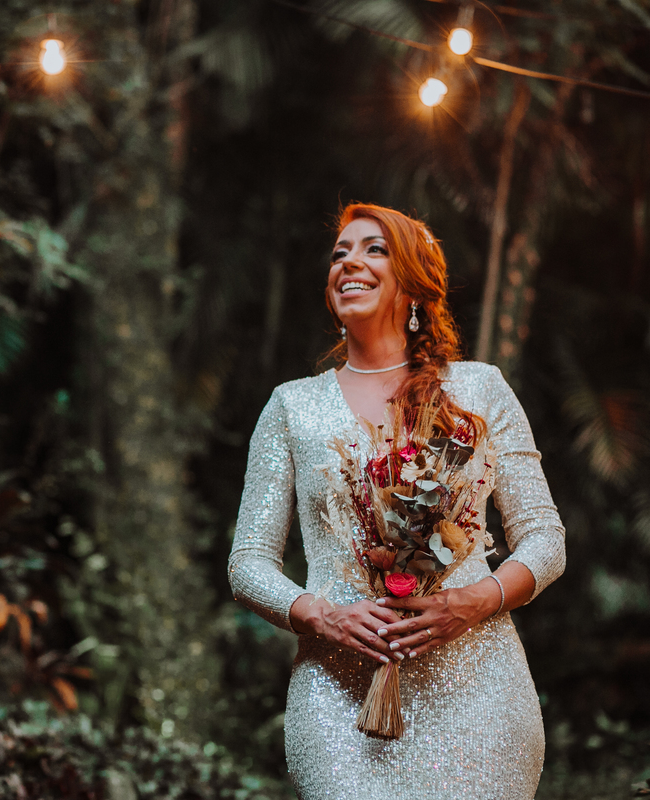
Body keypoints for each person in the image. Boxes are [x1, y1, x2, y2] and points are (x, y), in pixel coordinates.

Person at [228, 203, 565, 800]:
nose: (349, 262)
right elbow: (247, 563)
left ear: (412, 283)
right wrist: (321, 615)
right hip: (337, 698)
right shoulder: (292, 407)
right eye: (339, 253)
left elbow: (545, 538)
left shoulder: (479, 389)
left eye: (372, 249)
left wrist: (473, 601)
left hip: (479, 689)